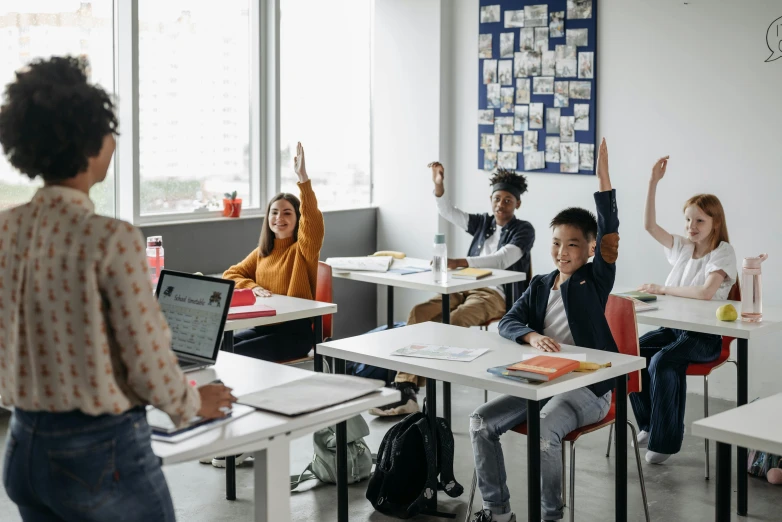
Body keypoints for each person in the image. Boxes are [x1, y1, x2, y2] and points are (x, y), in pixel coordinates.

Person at [0, 56, 235, 522]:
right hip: (98, 454)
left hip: (22, 444)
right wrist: (191, 403)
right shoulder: (111, 239)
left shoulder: (6, 230)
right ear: (92, 145)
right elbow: (145, 354)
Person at [468, 138, 617, 522]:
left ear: (588, 249)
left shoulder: (594, 280)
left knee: (544, 435)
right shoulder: (540, 284)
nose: (562, 251)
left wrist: (603, 180)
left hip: (588, 387)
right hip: (540, 380)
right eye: (555, 243)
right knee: (481, 422)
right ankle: (498, 512)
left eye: (572, 244)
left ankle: (550, 516)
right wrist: (531, 336)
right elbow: (508, 321)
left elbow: (610, 234)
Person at [372, 164, 535, 417]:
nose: (501, 205)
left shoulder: (524, 230)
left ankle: (407, 388)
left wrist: (460, 261)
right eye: (497, 199)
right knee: (421, 312)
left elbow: (503, 259)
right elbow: (449, 212)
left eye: (508, 200)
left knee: (453, 320)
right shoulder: (483, 223)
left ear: (517, 204)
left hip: (495, 296)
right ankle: (405, 387)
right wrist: (438, 186)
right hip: (463, 286)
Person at [630, 155, 737, 464]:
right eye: (688, 220)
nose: (691, 226)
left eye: (700, 221)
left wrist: (662, 289)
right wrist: (653, 183)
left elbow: (705, 293)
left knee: (663, 361)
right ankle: (650, 425)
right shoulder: (682, 247)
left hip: (705, 336)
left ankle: (664, 443)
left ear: (715, 222)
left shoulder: (723, 253)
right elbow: (649, 225)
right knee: (633, 354)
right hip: (675, 328)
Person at [222, 142, 324, 364]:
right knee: (218, 348)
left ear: (298, 219)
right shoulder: (263, 252)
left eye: (287, 213)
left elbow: (313, 222)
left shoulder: (303, 249)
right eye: (274, 212)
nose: (279, 218)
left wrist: (303, 179)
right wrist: (253, 287)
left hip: (294, 334)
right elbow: (230, 274)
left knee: (233, 356)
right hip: (263, 327)